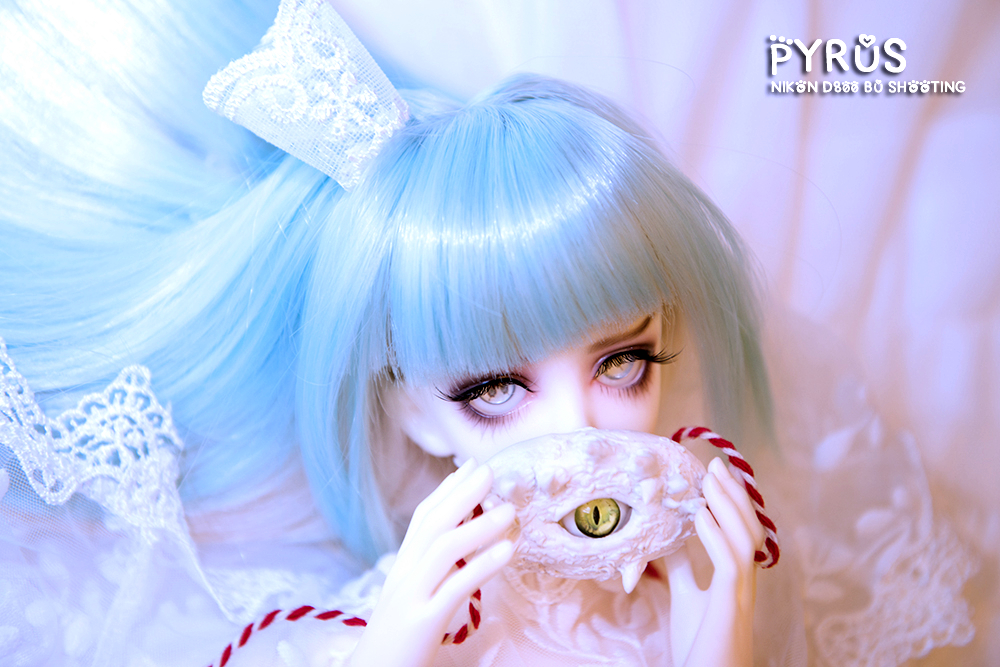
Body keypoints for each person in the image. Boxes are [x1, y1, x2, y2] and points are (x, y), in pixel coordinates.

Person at [0, 1, 974, 665]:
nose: (575, 428)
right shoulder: (380, 622)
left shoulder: (715, 584)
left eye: (623, 362)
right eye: (492, 389)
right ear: (412, 415)